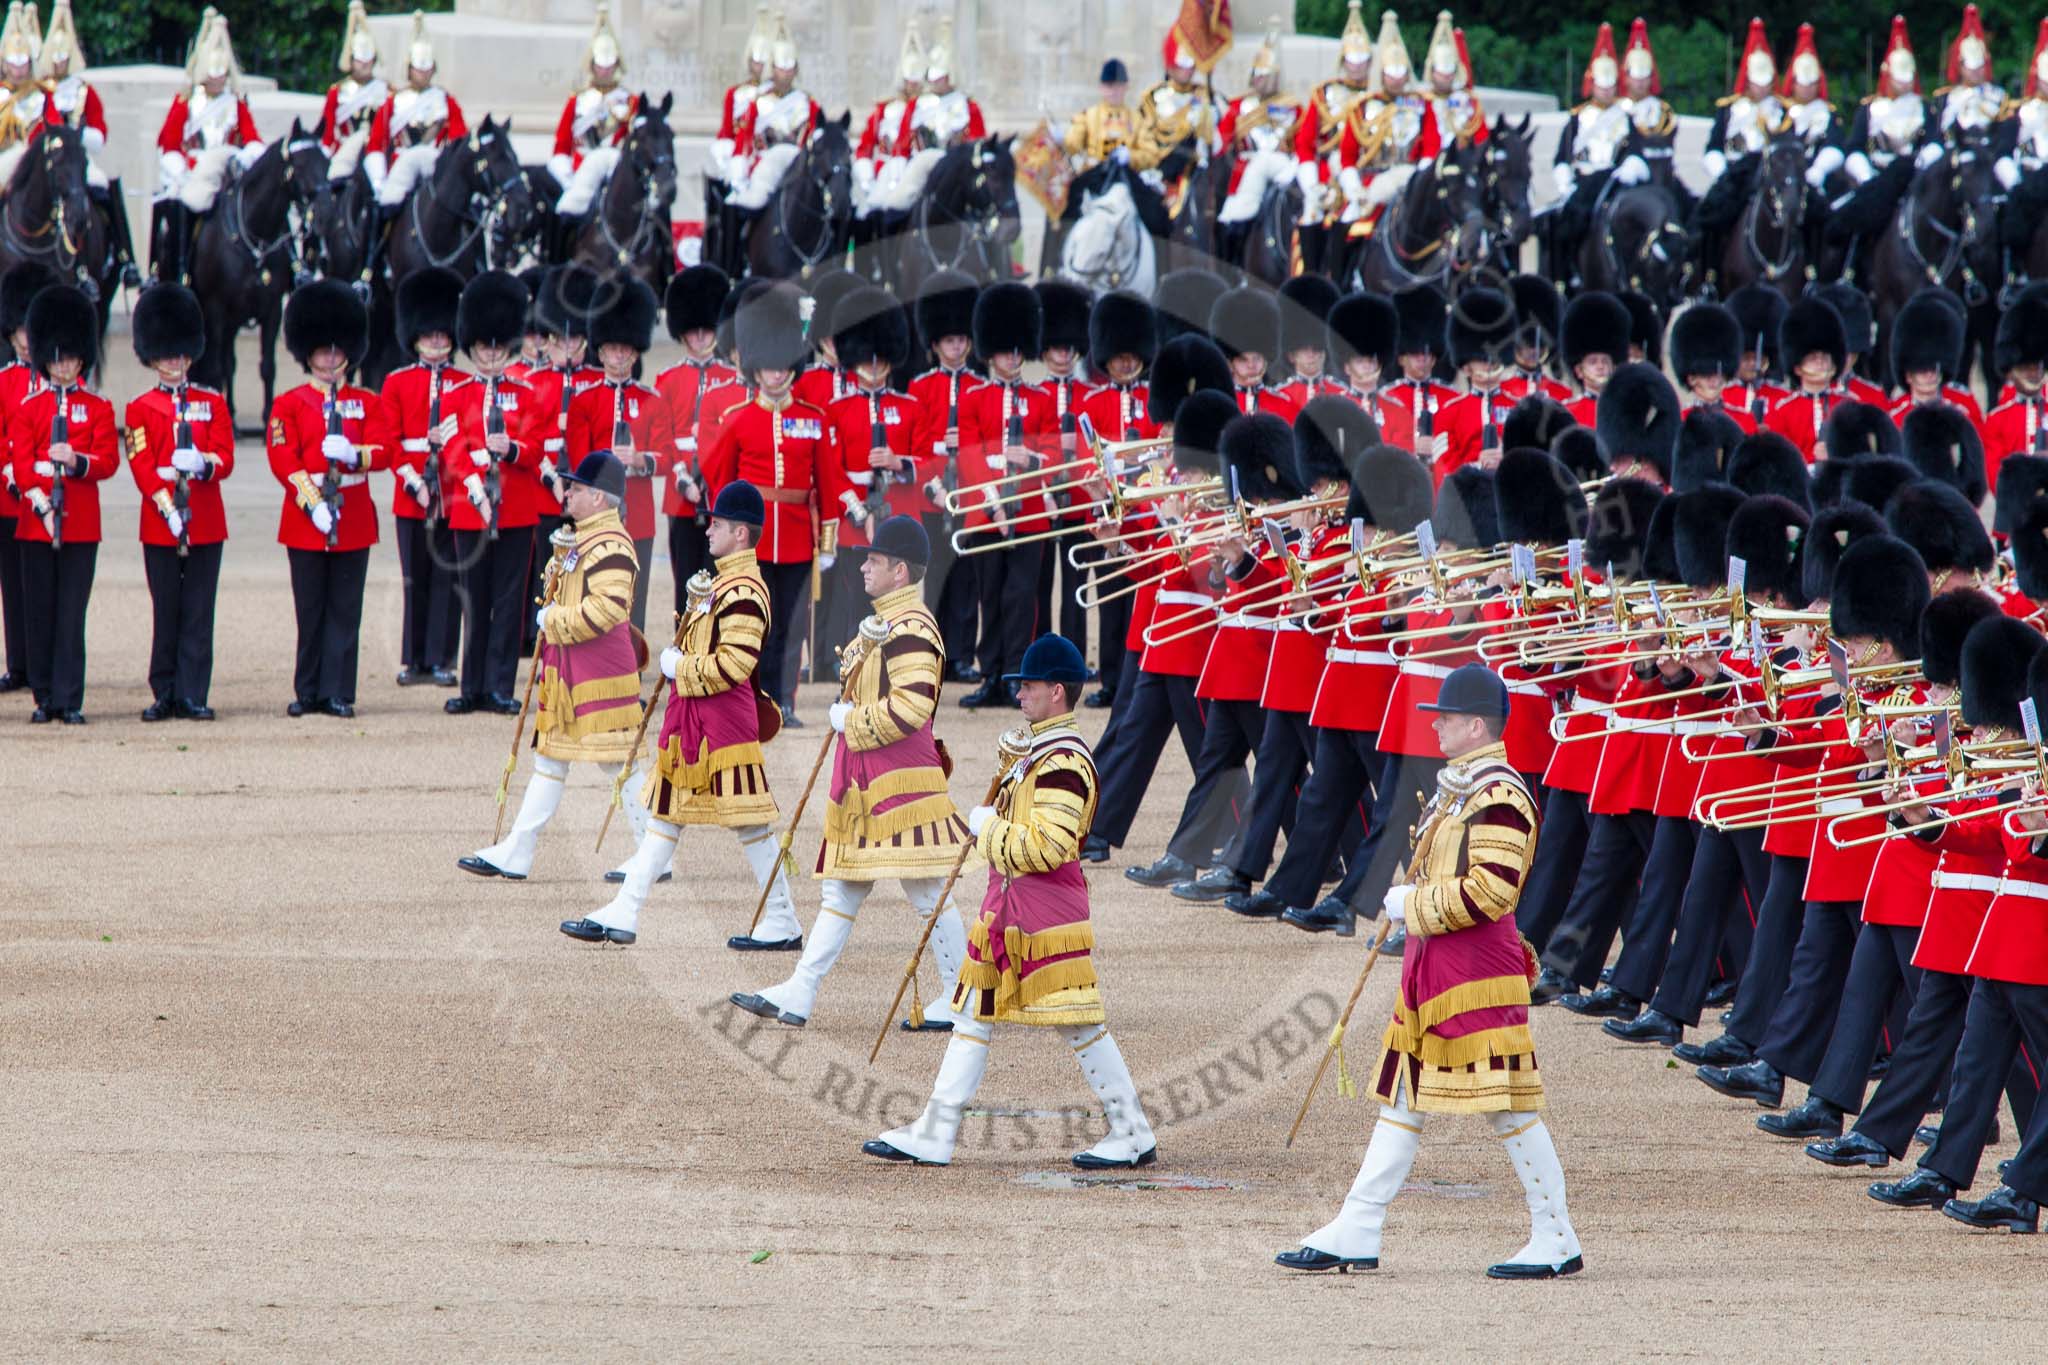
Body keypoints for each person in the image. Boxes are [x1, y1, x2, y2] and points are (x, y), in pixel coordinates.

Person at [1277, 663, 1582, 1279]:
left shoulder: (1499, 795)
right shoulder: (1466, 786)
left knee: (1508, 1104)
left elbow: (1490, 894)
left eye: (1446, 717)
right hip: (1439, 966)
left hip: (1474, 969)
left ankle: (1556, 1234)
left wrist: (1409, 905)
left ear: (1476, 725)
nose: (1436, 724)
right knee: (1403, 1096)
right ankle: (1359, 1223)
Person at [864, 633, 1159, 1169]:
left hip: (1044, 913)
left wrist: (989, 828)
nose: (1019, 694)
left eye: (1028, 686)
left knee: (1078, 1021)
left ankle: (1132, 1130)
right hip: (1011, 907)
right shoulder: (1041, 751)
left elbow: (1050, 847)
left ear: (1056, 692)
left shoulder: (1063, 762)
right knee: (975, 1014)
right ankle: (937, 1129)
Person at [729, 514, 974, 1030]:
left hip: (899, 783)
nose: (864, 567)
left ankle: (961, 994)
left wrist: (850, 721)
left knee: (926, 892)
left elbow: (910, 709)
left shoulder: (910, 629)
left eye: (876, 561)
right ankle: (802, 989)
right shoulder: (892, 622)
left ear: (900, 572)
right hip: (871, 783)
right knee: (845, 891)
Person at [562, 479, 803, 949]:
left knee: (750, 825)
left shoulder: (746, 591)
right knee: (665, 819)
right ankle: (626, 910)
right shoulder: (724, 582)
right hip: (696, 723)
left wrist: (678, 667)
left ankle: (783, 920)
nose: (707, 528)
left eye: (718, 523)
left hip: (724, 726)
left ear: (741, 534)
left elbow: (735, 666)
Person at [457, 451, 650, 881]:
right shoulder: (581, 538)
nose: (568, 493)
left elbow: (607, 612)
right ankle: (520, 849)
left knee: (620, 765)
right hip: (570, 673)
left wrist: (554, 619)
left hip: (601, 676)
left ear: (599, 498)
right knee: (550, 761)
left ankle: (656, 852)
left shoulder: (612, 544)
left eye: (577, 488)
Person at [702, 283, 858, 721]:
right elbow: (720, 482)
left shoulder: (813, 418)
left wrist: (826, 545)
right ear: (756, 367)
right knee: (752, 621)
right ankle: (750, 697)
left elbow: (827, 487)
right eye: (768, 368)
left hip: (793, 539)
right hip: (749, 540)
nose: (775, 375)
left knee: (790, 626)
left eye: (781, 367)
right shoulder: (736, 421)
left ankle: (783, 700)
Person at [267, 280, 396, 719]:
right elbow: (281, 456)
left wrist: (354, 455)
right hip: (308, 517)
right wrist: (312, 502)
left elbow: (385, 450)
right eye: (322, 352)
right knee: (311, 610)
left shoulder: (367, 401)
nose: (330, 359)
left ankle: (338, 690)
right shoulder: (289, 403)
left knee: (345, 610)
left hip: (354, 512)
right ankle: (308, 690)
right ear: (309, 354)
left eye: (337, 351)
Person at [125, 284, 233, 722]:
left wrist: (203, 464)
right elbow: (141, 464)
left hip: (205, 519)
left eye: (179, 353)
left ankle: (193, 692)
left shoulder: (212, 401)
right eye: (166, 354)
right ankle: (164, 689)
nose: (174, 361)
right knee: (166, 608)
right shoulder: (140, 408)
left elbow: (225, 456)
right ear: (152, 356)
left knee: (198, 611)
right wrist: (168, 509)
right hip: (159, 520)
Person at [9, 284, 113, 725]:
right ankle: (44, 696)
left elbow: (107, 460)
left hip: (81, 524)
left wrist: (76, 461)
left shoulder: (99, 407)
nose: (65, 365)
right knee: (40, 611)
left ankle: (70, 697)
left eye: (71, 357)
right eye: (57, 358)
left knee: (72, 613)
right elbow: (19, 461)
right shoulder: (30, 408)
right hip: (36, 522)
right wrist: (40, 496)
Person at [442, 269, 543, 716]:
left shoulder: (527, 392)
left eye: (499, 347)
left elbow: (538, 447)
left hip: (517, 509)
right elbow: (451, 445)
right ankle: (472, 686)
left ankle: (501, 685)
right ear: (473, 347)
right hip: (469, 510)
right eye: (484, 347)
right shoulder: (456, 393)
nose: (492, 355)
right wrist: (471, 475)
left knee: (507, 602)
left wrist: (514, 448)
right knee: (473, 598)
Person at [956, 281, 1050, 705]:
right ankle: (990, 672)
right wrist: (994, 505)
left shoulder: (1042, 398)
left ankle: (1015, 674)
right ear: (990, 352)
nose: (1012, 358)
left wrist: (1030, 459)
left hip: (1028, 512)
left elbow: (1052, 453)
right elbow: (971, 458)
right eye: (1004, 350)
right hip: (985, 513)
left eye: (1017, 350)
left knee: (1020, 597)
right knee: (989, 595)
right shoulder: (974, 398)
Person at [568, 275, 671, 636]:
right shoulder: (585, 401)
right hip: (597, 515)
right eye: (612, 349)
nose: (619, 356)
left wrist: (640, 459)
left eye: (626, 349)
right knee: (594, 593)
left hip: (638, 514)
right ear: (600, 351)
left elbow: (667, 456)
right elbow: (579, 460)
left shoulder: (651, 400)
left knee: (634, 599)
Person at [382, 267, 467, 690]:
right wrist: (415, 482)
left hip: (452, 494)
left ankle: (442, 659)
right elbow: (391, 441)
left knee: (448, 578)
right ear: (414, 337)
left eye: (442, 335)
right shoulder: (398, 383)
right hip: (411, 492)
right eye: (429, 335)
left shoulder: (463, 383)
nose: (436, 342)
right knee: (414, 575)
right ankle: (413, 658)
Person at [151, 9, 262, 287]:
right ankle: (177, 271)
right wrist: (181, 172)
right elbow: (169, 144)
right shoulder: (185, 103)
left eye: (222, 73)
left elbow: (253, 141)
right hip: (194, 173)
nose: (218, 79)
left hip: (227, 173)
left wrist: (242, 158)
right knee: (182, 211)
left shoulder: (236, 104)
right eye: (214, 73)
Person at [656, 265, 737, 618]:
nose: (702, 338)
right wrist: (682, 479)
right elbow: (662, 438)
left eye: (708, 330)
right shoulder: (668, 379)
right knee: (685, 580)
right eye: (694, 331)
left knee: (718, 580)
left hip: (719, 491)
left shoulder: (732, 378)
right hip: (681, 494)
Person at [0, 261, 57, 695]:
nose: (24, 338)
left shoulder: (54, 382)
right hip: (8, 497)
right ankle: (19, 663)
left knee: (47, 586)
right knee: (13, 585)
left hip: (48, 500)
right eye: (18, 330)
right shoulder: (6, 381)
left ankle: (46, 663)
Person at [1294, 0, 1377, 274]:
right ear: (1343, 62)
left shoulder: (1377, 99)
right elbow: (1306, 142)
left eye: (1362, 62)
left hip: (1364, 165)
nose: (1357, 68)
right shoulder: (1324, 94)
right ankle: (1311, 273)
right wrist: (1311, 181)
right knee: (1312, 208)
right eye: (1352, 62)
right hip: (1328, 167)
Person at [1214, 23, 1303, 266]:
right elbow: (1220, 142)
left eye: (1266, 74)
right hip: (1246, 170)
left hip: (1284, 168)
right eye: (1258, 73)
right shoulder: (1239, 107)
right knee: (1231, 217)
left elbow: (1301, 142)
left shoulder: (1293, 107)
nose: (1260, 79)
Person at [547, 3, 639, 238]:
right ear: (592, 65)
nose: (605, 71)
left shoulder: (630, 101)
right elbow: (562, 145)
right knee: (564, 211)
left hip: (616, 170)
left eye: (609, 66)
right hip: (581, 170)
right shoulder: (578, 101)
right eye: (600, 65)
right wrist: (567, 175)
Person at [362, 12, 468, 210]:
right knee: (383, 208)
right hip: (399, 168)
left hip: (434, 164)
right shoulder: (393, 102)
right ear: (409, 69)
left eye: (427, 69)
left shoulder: (446, 101)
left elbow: (458, 138)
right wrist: (379, 178)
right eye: (419, 69)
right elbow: (376, 143)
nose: (423, 73)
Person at [727, 14, 821, 215]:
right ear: (773, 69)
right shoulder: (759, 102)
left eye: (790, 69)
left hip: (798, 162)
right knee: (751, 202)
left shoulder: (806, 102)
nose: (786, 74)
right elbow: (745, 137)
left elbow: (812, 135)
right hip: (766, 162)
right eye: (781, 69)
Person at [316, 0, 386, 177]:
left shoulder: (385, 90)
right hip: (343, 149)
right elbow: (329, 126)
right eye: (360, 60)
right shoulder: (337, 91)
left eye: (368, 59)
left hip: (374, 150)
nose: (364, 65)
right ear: (351, 60)